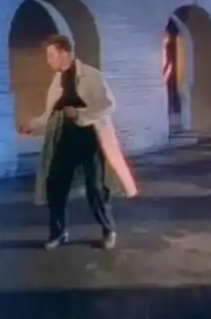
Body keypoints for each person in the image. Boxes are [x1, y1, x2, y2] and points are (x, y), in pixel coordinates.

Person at [20, 35, 138, 250]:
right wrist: (33, 125)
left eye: (51, 55)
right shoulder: (57, 81)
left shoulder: (91, 75)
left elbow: (108, 105)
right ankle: (58, 232)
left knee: (96, 187)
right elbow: (51, 112)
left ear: (65, 53)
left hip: (90, 137)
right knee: (56, 184)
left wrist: (80, 113)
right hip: (64, 137)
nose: (48, 60)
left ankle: (108, 229)